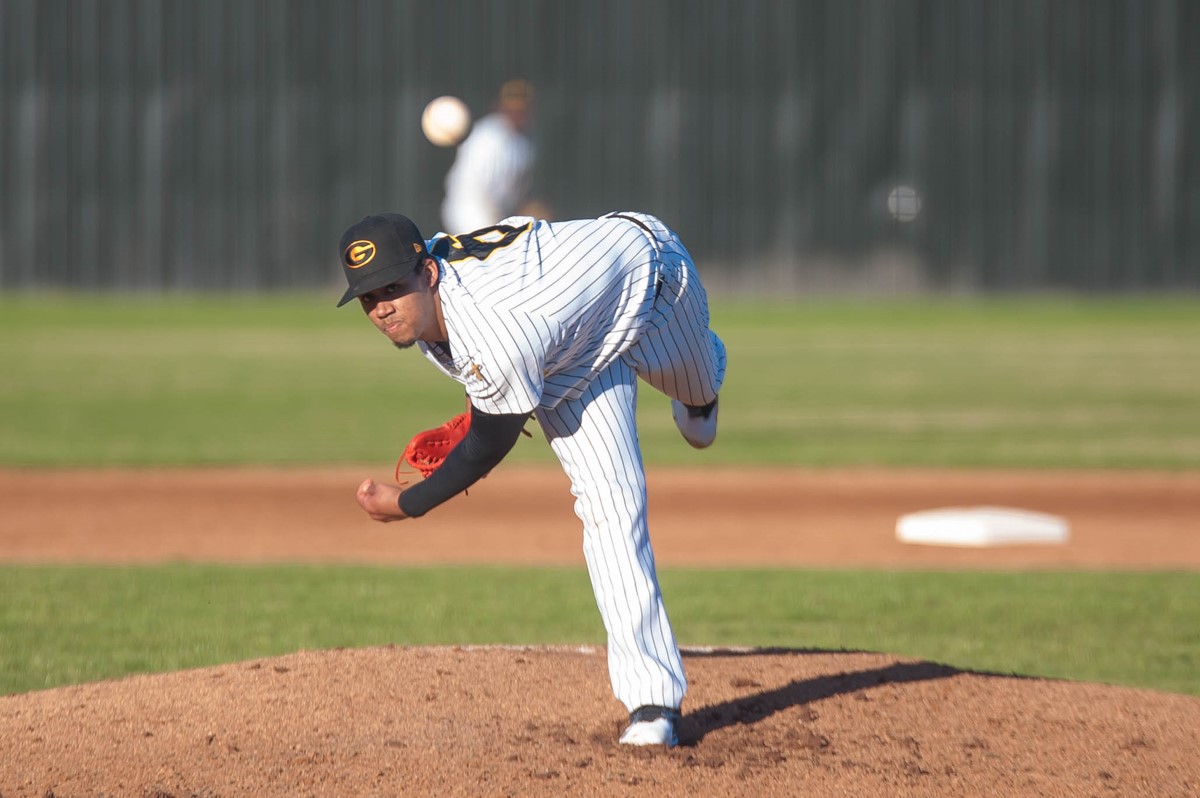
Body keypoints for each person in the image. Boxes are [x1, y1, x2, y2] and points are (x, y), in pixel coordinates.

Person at [338, 210, 726, 748]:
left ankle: (701, 395)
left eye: (391, 287)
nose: (382, 307)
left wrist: (409, 503)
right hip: (569, 358)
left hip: (652, 280)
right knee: (611, 507)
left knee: (698, 411)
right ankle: (652, 702)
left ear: (428, 272)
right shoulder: (429, 299)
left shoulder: (498, 326)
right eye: (367, 297)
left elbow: (489, 444)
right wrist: (491, 397)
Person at [440, 79, 538, 234]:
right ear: (502, 107)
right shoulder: (488, 137)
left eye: (522, 109)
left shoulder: (523, 141)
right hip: (471, 211)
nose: (518, 114)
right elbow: (477, 187)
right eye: (513, 108)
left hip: (496, 214)